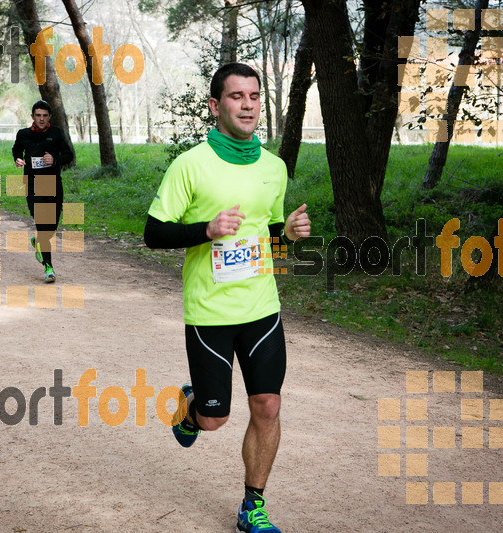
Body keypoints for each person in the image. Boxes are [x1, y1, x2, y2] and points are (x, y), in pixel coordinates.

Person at [144, 63, 311, 533]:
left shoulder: (274, 167)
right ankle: (192, 405)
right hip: (209, 312)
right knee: (214, 420)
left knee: (269, 406)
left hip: (261, 307)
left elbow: (267, 236)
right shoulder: (190, 164)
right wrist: (207, 230)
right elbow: (153, 233)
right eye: (237, 96)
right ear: (216, 106)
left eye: (255, 96)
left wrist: (290, 236)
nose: (248, 104)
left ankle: (252, 505)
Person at [12, 100, 74, 283]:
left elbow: (69, 155)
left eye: (45, 116)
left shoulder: (56, 133)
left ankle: (39, 242)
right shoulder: (23, 134)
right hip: (32, 184)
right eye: (38, 115)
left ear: (49, 117)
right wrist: (17, 159)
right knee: (42, 224)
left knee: (52, 226)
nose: (41, 119)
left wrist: (54, 160)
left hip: (53, 183)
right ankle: (49, 267)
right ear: (32, 116)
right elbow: (16, 149)